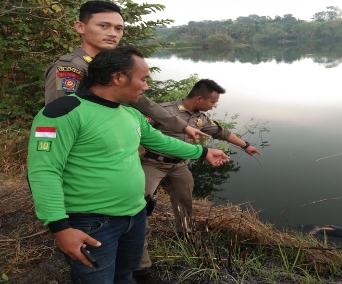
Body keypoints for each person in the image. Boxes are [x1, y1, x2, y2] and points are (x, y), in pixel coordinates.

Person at [27, 46, 230, 284]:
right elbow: (43, 171)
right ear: (118, 77)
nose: (146, 87)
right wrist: (59, 226)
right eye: (143, 80)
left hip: (134, 215)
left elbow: (162, 141)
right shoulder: (63, 112)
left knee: (125, 274)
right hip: (92, 222)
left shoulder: (130, 114)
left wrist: (203, 151)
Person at [134, 79, 262, 281]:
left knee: (185, 201)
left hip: (180, 166)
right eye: (212, 102)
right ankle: (139, 261)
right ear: (199, 98)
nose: (213, 106)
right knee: (139, 207)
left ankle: (185, 234)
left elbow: (222, 133)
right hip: (152, 164)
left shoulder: (201, 119)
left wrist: (246, 145)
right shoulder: (164, 110)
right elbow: (138, 130)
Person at [44, 0, 205, 140]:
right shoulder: (71, 68)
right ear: (80, 27)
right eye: (103, 26)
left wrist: (182, 126)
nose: (112, 34)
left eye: (118, 28)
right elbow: (55, 118)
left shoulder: (114, 65)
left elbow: (143, 102)